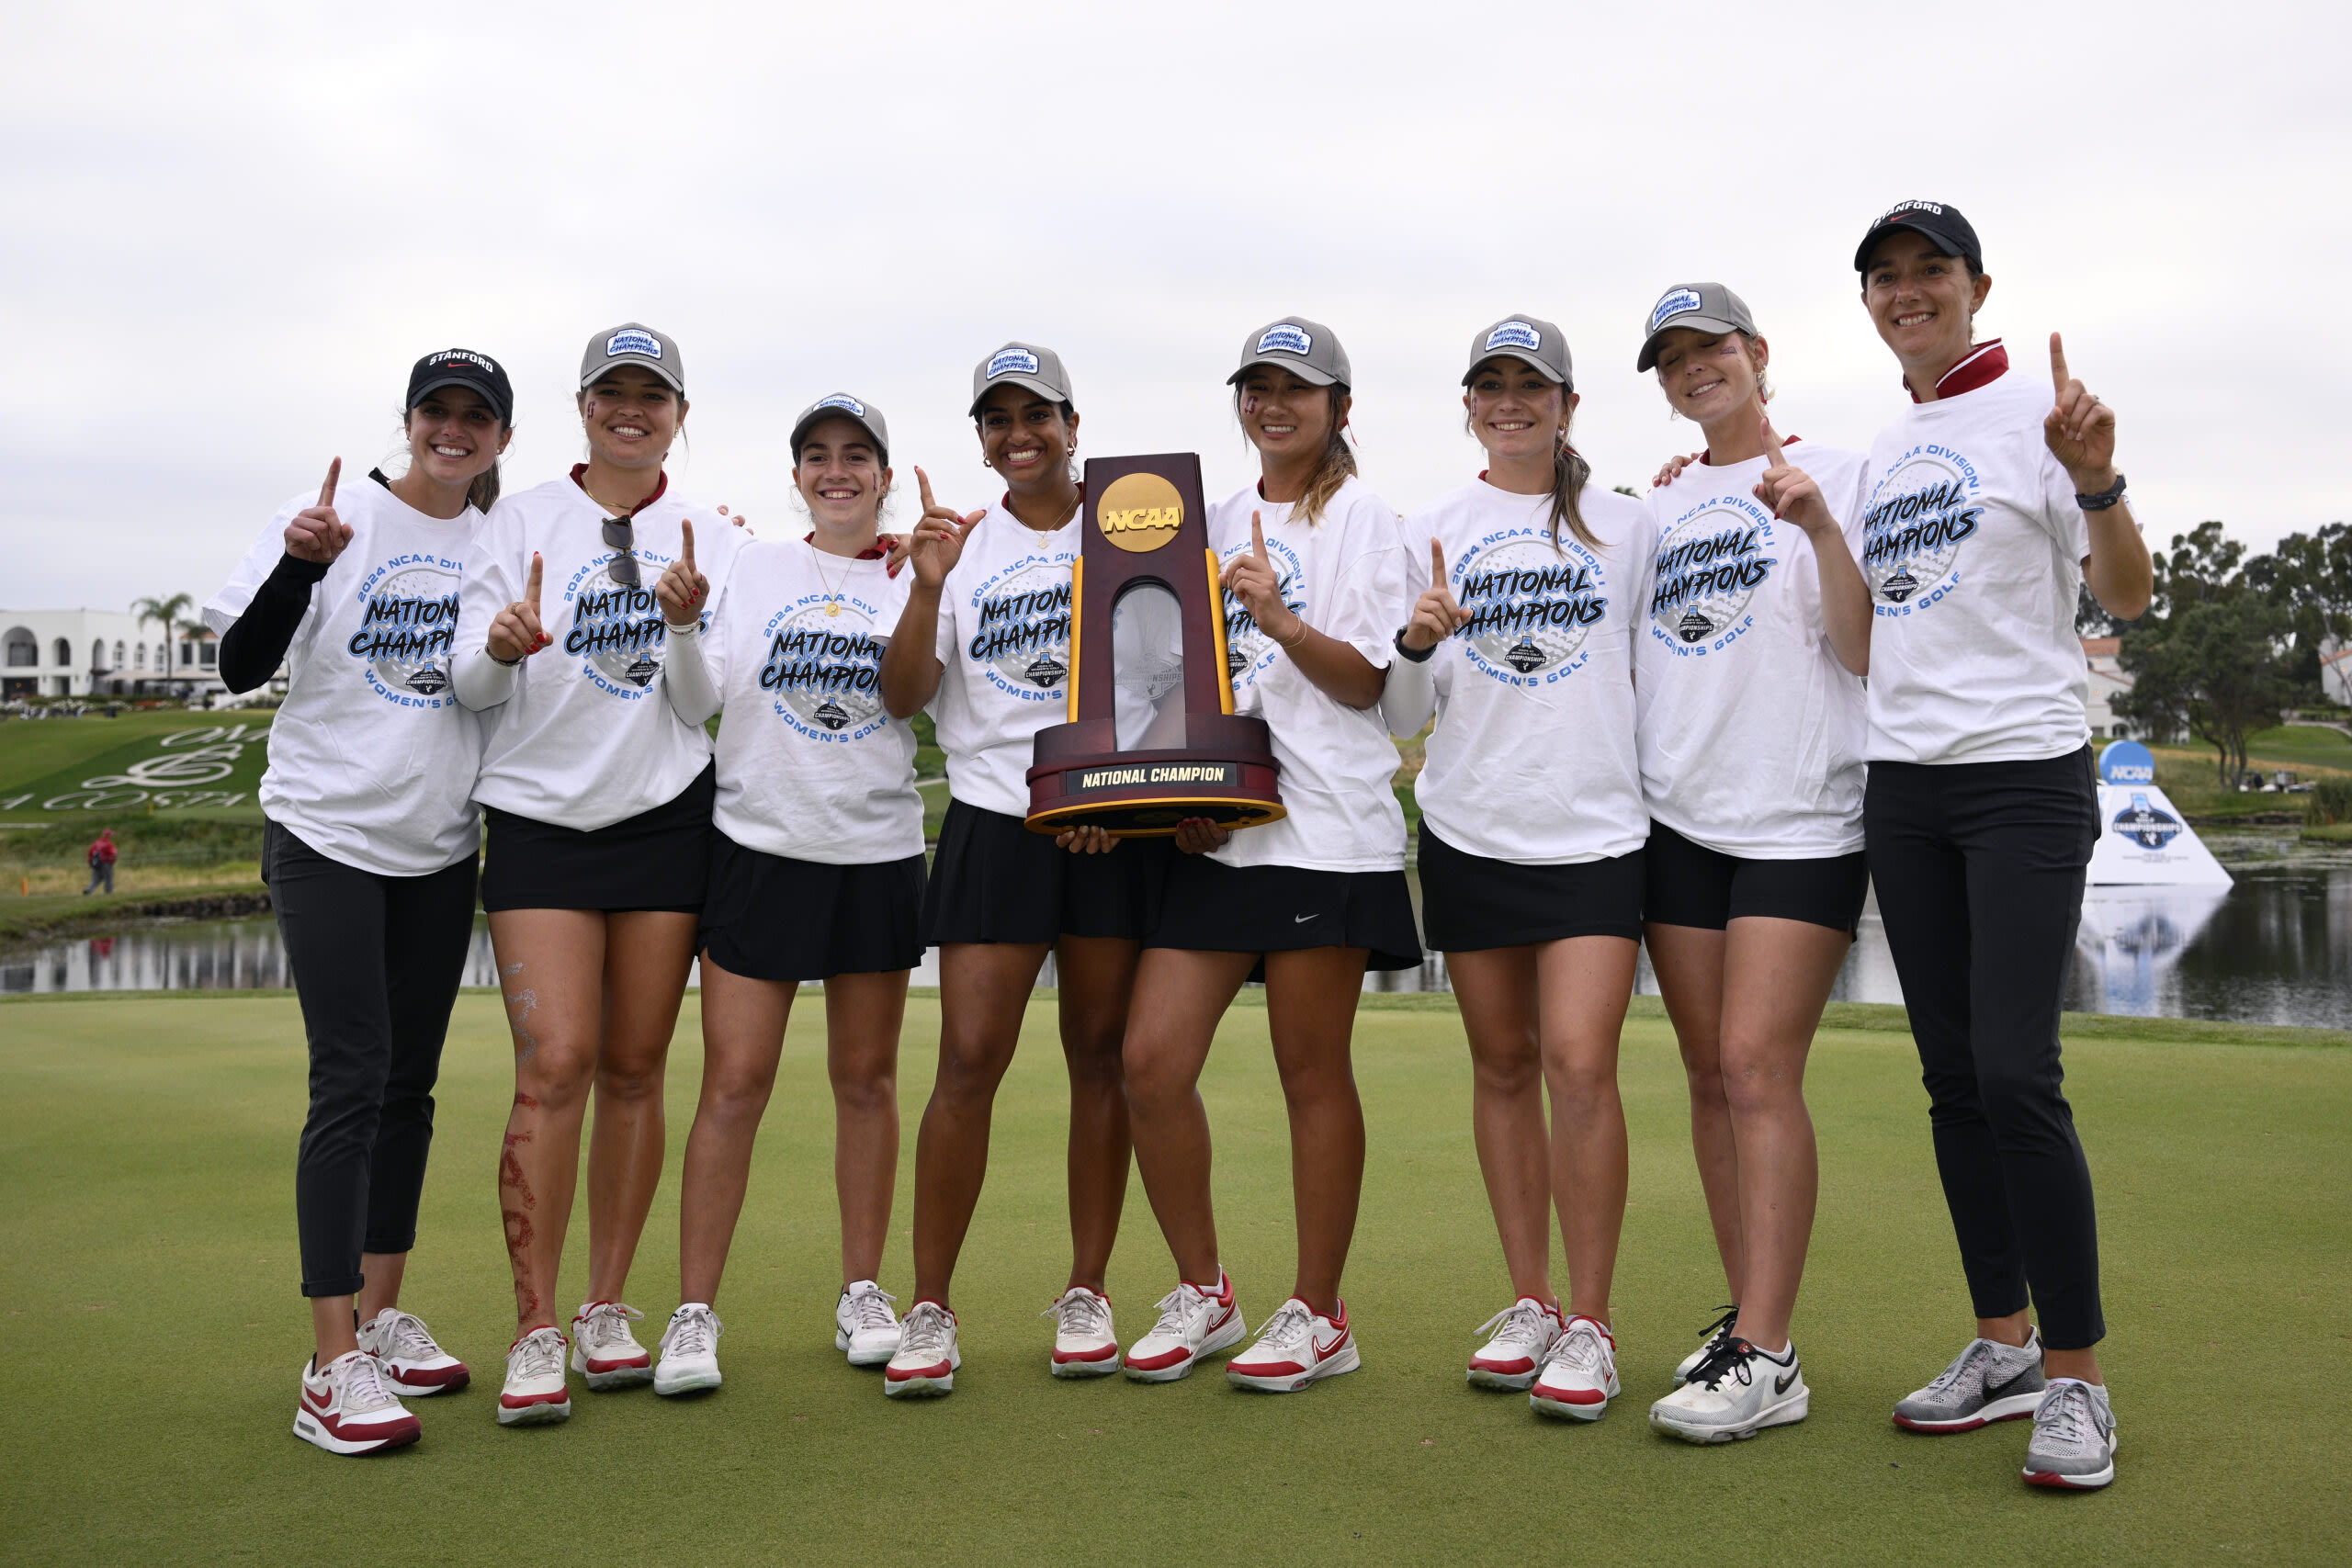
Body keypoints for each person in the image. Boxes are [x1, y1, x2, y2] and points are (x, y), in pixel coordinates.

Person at [1849, 202, 2151, 1490]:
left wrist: (2098, 479)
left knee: (2021, 1072)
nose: (1908, 292)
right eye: (1886, 277)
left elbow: (2127, 594)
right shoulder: (1880, 447)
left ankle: (2078, 1377)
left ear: (1978, 285)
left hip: (2023, 777)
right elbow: (1872, 630)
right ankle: (2003, 1340)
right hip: (1904, 787)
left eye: (1930, 272)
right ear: (1869, 304)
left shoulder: (2041, 411)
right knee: (1955, 1077)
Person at [204, 348, 515, 1455]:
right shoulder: (331, 517)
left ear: (500, 439)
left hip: (437, 847)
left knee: (408, 1088)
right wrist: (299, 566)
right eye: (438, 411)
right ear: (410, 421)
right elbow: (239, 665)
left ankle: (381, 1320)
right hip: (327, 834)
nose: (454, 430)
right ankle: (329, 1362)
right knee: (349, 1076)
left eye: (476, 417)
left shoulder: (493, 543)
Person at [452, 322, 746, 1427]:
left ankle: (604, 1306)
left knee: (633, 1066)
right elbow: (471, 692)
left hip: (667, 821)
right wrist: (501, 646)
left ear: (678, 412)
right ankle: (533, 1327)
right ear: (583, 405)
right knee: (557, 1061)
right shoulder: (514, 516)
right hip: (538, 821)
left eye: (653, 395)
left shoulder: (708, 531)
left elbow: (700, 702)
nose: (633, 410)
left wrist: (680, 626)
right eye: (613, 393)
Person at [1117, 317, 1417, 1393]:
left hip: (1323, 831)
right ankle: (1204, 1291)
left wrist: (1280, 619)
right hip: (1220, 834)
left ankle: (1320, 1315)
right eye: (1256, 387)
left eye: (1296, 388)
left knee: (1308, 1073)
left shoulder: (1368, 517)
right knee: (1149, 1065)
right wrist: (1180, 796)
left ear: (1339, 405)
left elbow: (1368, 684)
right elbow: (1162, 677)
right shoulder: (1203, 515)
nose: (1272, 405)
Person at [874, 343, 1170, 1397]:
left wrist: (1124, 791)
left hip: (1114, 823)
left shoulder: (1140, 521)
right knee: (968, 1060)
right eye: (996, 421)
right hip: (998, 822)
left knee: (1101, 1059)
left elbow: (1174, 672)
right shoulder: (963, 548)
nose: (1018, 435)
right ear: (983, 439)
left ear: (1072, 423)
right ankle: (929, 1309)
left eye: (1034, 414)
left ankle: (1087, 1290)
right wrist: (924, 588)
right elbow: (904, 697)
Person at [1383, 316, 1650, 1419]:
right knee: (1501, 1068)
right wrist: (1416, 641)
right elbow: (1402, 712)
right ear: (1468, 405)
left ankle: (1590, 1322)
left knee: (1579, 1065)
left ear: (1566, 406)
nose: (1509, 402)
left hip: (1593, 831)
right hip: (1468, 827)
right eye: (1489, 386)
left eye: (1529, 386)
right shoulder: (1430, 530)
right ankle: (1530, 1301)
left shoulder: (1628, 528)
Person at [1623, 284, 1875, 1443]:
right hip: (1680, 816)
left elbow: (1864, 639)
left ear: (1756, 354)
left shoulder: (1842, 469)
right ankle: (1749, 1323)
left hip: (1799, 815)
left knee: (1755, 1068)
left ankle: (1769, 1356)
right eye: (1670, 360)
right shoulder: (1662, 503)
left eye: (1708, 350)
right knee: (1707, 1074)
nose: (1691, 371)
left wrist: (1818, 520)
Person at [651, 393, 922, 1392]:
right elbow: (695, 698)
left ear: (885, 475)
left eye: (857, 456)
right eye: (817, 456)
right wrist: (680, 628)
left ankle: (862, 1291)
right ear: (797, 474)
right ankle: (692, 1316)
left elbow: (916, 693)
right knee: (733, 1085)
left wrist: (933, 571)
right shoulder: (750, 564)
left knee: (865, 1084)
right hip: (758, 848)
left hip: (876, 850)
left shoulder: (910, 573)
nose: (837, 471)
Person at [82, 829, 117, 894]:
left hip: (96, 863)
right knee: (108, 878)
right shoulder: (109, 844)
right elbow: (113, 855)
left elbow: (90, 853)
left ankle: (88, 890)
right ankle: (108, 893)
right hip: (106, 863)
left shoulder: (97, 842)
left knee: (96, 879)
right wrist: (112, 862)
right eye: (111, 835)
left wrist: (90, 862)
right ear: (108, 836)